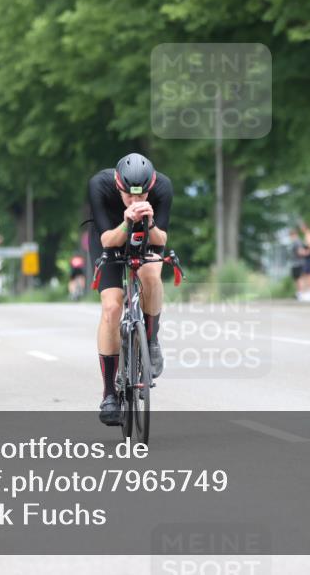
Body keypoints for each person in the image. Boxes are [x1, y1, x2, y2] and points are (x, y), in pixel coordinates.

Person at [87, 153, 173, 426]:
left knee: (151, 277)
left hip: (147, 236)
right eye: (130, 197)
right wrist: (126, 221)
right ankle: (109, 394)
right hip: (111, 235)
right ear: (118, 186)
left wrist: (148, 221)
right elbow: (108, 239)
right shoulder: (99, 185)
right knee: (112, 307)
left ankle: (151, 339)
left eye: (142, 196)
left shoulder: (162, 188)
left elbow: (161, 240)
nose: (136, 202)